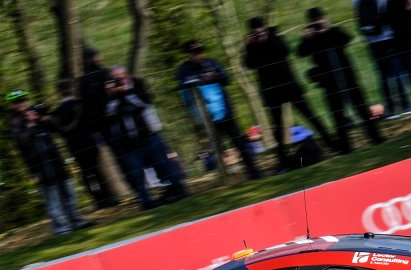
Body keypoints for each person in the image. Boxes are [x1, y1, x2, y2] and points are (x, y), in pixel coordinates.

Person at [244, 16, 336, 172]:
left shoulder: (275, 37)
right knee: (278, 127)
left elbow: (285, 51)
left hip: (288, 86)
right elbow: (249, 64)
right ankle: (282, 161)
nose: (258, 32)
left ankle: (331, 143)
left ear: (264, 27)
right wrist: (249, 46)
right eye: (255, 30)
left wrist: (267, 39)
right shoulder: (252, 45)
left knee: (310, 115)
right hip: (272, 91)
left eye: (260, 29)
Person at [297, 7, 384, 154]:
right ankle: (345, 147)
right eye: (314, 21)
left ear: (324, 18)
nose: (317, 23)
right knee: (337, 115)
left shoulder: (334, 31)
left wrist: (327, 29)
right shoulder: (311, 39)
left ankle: (375, 137)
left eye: (319, 19)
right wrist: (307, 38)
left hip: (347, 76)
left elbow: (346, 38)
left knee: (362, 109)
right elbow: (301, 52)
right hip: (329, 82)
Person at [102, 65, 187, 209]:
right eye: (116, 79)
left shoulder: (137, 84)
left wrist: (126, 92)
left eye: (122, 77)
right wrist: (113, 95)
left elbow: (143, 102)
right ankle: (145, 201)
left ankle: (176, 189)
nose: (120, 81)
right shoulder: (108, 95)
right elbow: (108, 114)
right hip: (127, 143)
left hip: (148, 135)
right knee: (135, 173)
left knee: (163, 164)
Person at [176, 39, 262, 180]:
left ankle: (254, 173)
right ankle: (224, 178)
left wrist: (215, 76)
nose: (198, 55)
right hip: (206, 117)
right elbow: (184, 88)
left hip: (225, 111)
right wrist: (201, 80)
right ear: (187, 54)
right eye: (194, 53)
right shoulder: (183, 70)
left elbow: (226, 79)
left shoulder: (212, 62)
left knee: (239, 143)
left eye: (200, 51)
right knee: (215, 148)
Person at [7, 90, 88, 234]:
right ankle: (60, 227)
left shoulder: (36, 111)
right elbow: (23, 141)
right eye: (17, 102)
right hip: (39, 165)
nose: (21, 103)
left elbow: (57, 128)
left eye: (23, 100)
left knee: (68, 191)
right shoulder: (14, 121)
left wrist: (45, 118)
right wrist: (30, 124)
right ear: (12, 104)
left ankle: (75, 220)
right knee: (52, 197)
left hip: (55, 159)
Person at [51, 79, 118, 209]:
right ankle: (108, 197)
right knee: (97, 170)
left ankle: (97, 199)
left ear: (59, 92)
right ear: (72, 90)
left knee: (86, 173)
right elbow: (93, 122)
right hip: (89, 141)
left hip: (73, 146)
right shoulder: (81, 105)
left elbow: (59, 132)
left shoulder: (56, 114)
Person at [355, 0, 411, 116]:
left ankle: (390, 109)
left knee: (383, 76)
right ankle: (405, 104)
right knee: (398, 72)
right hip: (388, 37)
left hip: (372, 41)